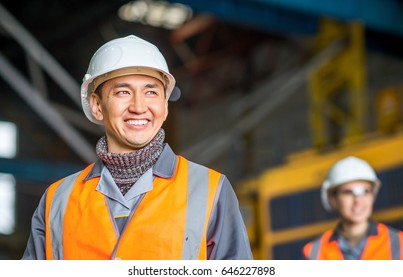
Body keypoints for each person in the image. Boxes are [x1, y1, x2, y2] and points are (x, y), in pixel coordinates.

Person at [21, 35, 253, 260]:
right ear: (96, 105)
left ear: (164, 105)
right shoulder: (57, 200)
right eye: (123, 92)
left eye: (151, 92)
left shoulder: (210, 190)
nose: (139, 106)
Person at [302, 156, 403, 260]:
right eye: (348, 192)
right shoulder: (314, 252)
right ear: (332, 198)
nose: (358, 201)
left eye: (365, 191)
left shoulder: (399, 243)